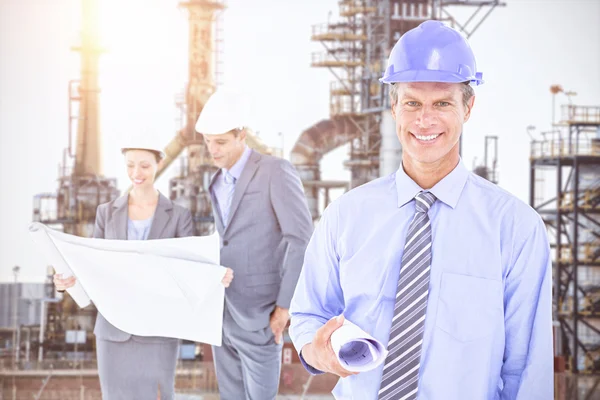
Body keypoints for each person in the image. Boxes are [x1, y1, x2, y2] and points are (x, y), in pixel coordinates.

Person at [289, 20, 553, 400]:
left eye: (442, 103)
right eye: (412, 102)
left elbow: (527, 370)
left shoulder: (514, 227)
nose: (424, 120)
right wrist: (316, 353)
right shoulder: (346, 216)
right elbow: (308, 313)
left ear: (468, 107)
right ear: (394, 108)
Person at [53, 138, 234, 400]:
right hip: (113, 333)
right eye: (130, 166)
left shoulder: (179, 215)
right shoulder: (106, 213)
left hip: (159, 332)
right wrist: (66, 280)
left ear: (160, 164)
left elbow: (190, 265)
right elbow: (93, 265)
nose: (136, 173)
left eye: (145, 166)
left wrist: (214, 276)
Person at [195, 89, 314, 400]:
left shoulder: (275, 171)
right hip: (222, 313)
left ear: (242, 136)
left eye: (220, 142)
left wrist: (285, 307)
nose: (213, 150)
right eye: (208, 142)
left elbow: (301, 239)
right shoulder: (216, 181)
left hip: (262, 315)